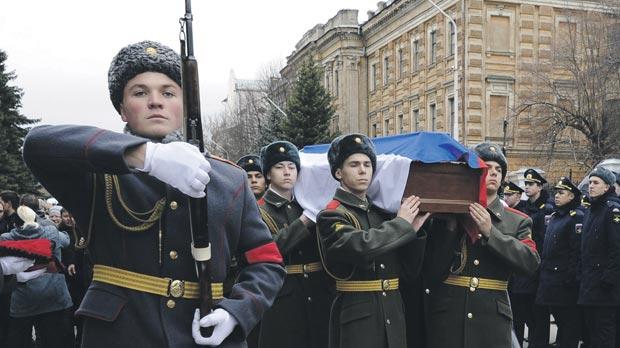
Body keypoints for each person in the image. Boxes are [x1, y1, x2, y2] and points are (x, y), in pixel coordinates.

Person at [22, 40, 285, 348]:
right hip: (121, 334)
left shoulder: (230, 179)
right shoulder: (98, 174)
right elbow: (38, 145)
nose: (156, 101)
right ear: (122, 109)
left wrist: (237, 311)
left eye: (168, 92)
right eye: (140, 92)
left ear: (184, 104)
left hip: (204, 335)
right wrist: (146, 158)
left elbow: (267, 261)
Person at [422, 142, 541, 348]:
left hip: (491, 321)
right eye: (486, 167)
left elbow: (530, 263)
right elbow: (431, 271)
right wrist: (449, 228)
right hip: (449, 317)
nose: (493, 173)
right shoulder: (447, 214)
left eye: (498, 170)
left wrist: (490, 233)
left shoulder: (517, 220)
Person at [316, 133, 428, 348]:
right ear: (338, 172)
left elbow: (408, 272)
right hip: (358, 318)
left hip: (392, 312)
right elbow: (362, 247)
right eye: (354, 164)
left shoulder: (381, 213)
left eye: (368, 164)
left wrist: (413, 234)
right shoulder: (331, 215)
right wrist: (402, 225)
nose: (362, 170)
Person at [255, 141, 333, 348]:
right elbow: (268, 249)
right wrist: (305, 221)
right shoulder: (259, 210)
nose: (287, 173)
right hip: (284, 296)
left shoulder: (305, 204)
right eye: (279, 167)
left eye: (291, 167)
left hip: (317, 291)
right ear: (269, 175)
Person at [0, 205, 74, 348]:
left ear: (15, 224)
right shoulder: (52, 232)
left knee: (19, 342)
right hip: (55, 297)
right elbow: (67, 240)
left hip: (22, 300)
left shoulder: (5, 238)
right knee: (58, 342)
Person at [535, 177, 583, 348]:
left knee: (568, 325)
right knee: (559, 321)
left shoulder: (575, 217)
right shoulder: (556, 216)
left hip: (564, 282)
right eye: (556, 192)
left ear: (571, 197)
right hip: (550, 280)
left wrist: (570, 278)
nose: (556, 196)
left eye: (561, 193)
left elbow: (576, 252)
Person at [578, 166, 620, 348]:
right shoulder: (590, 210)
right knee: (591, 333)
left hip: (604, 288)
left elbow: (616, 249)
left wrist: (607, 280)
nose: (591, 186)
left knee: (604, 334)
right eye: (590, 182)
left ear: (607, 187)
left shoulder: (612, 210)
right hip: (589, 284)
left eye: (596, 183)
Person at [511, 168, 552, 348]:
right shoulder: (523, 208)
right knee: (521, 315)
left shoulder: (548, 209)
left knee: (538, 320)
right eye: (525, 184)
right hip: (523, 270)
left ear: (540, 186)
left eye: (531, 184)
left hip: (538, 271)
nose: (526, 187)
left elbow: (545, 243)